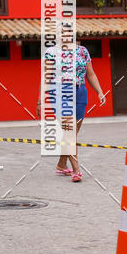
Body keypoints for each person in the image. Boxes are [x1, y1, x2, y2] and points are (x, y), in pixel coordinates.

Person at [37, 41, 106, 182]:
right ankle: (76, 170)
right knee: (69, 132)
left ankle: (62, 164)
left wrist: (99, 92)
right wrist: (40, 100)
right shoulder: (51, 52)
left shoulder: (82, 51)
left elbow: (90, 74)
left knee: (72, 133)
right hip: (58, 92)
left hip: (80, 92)